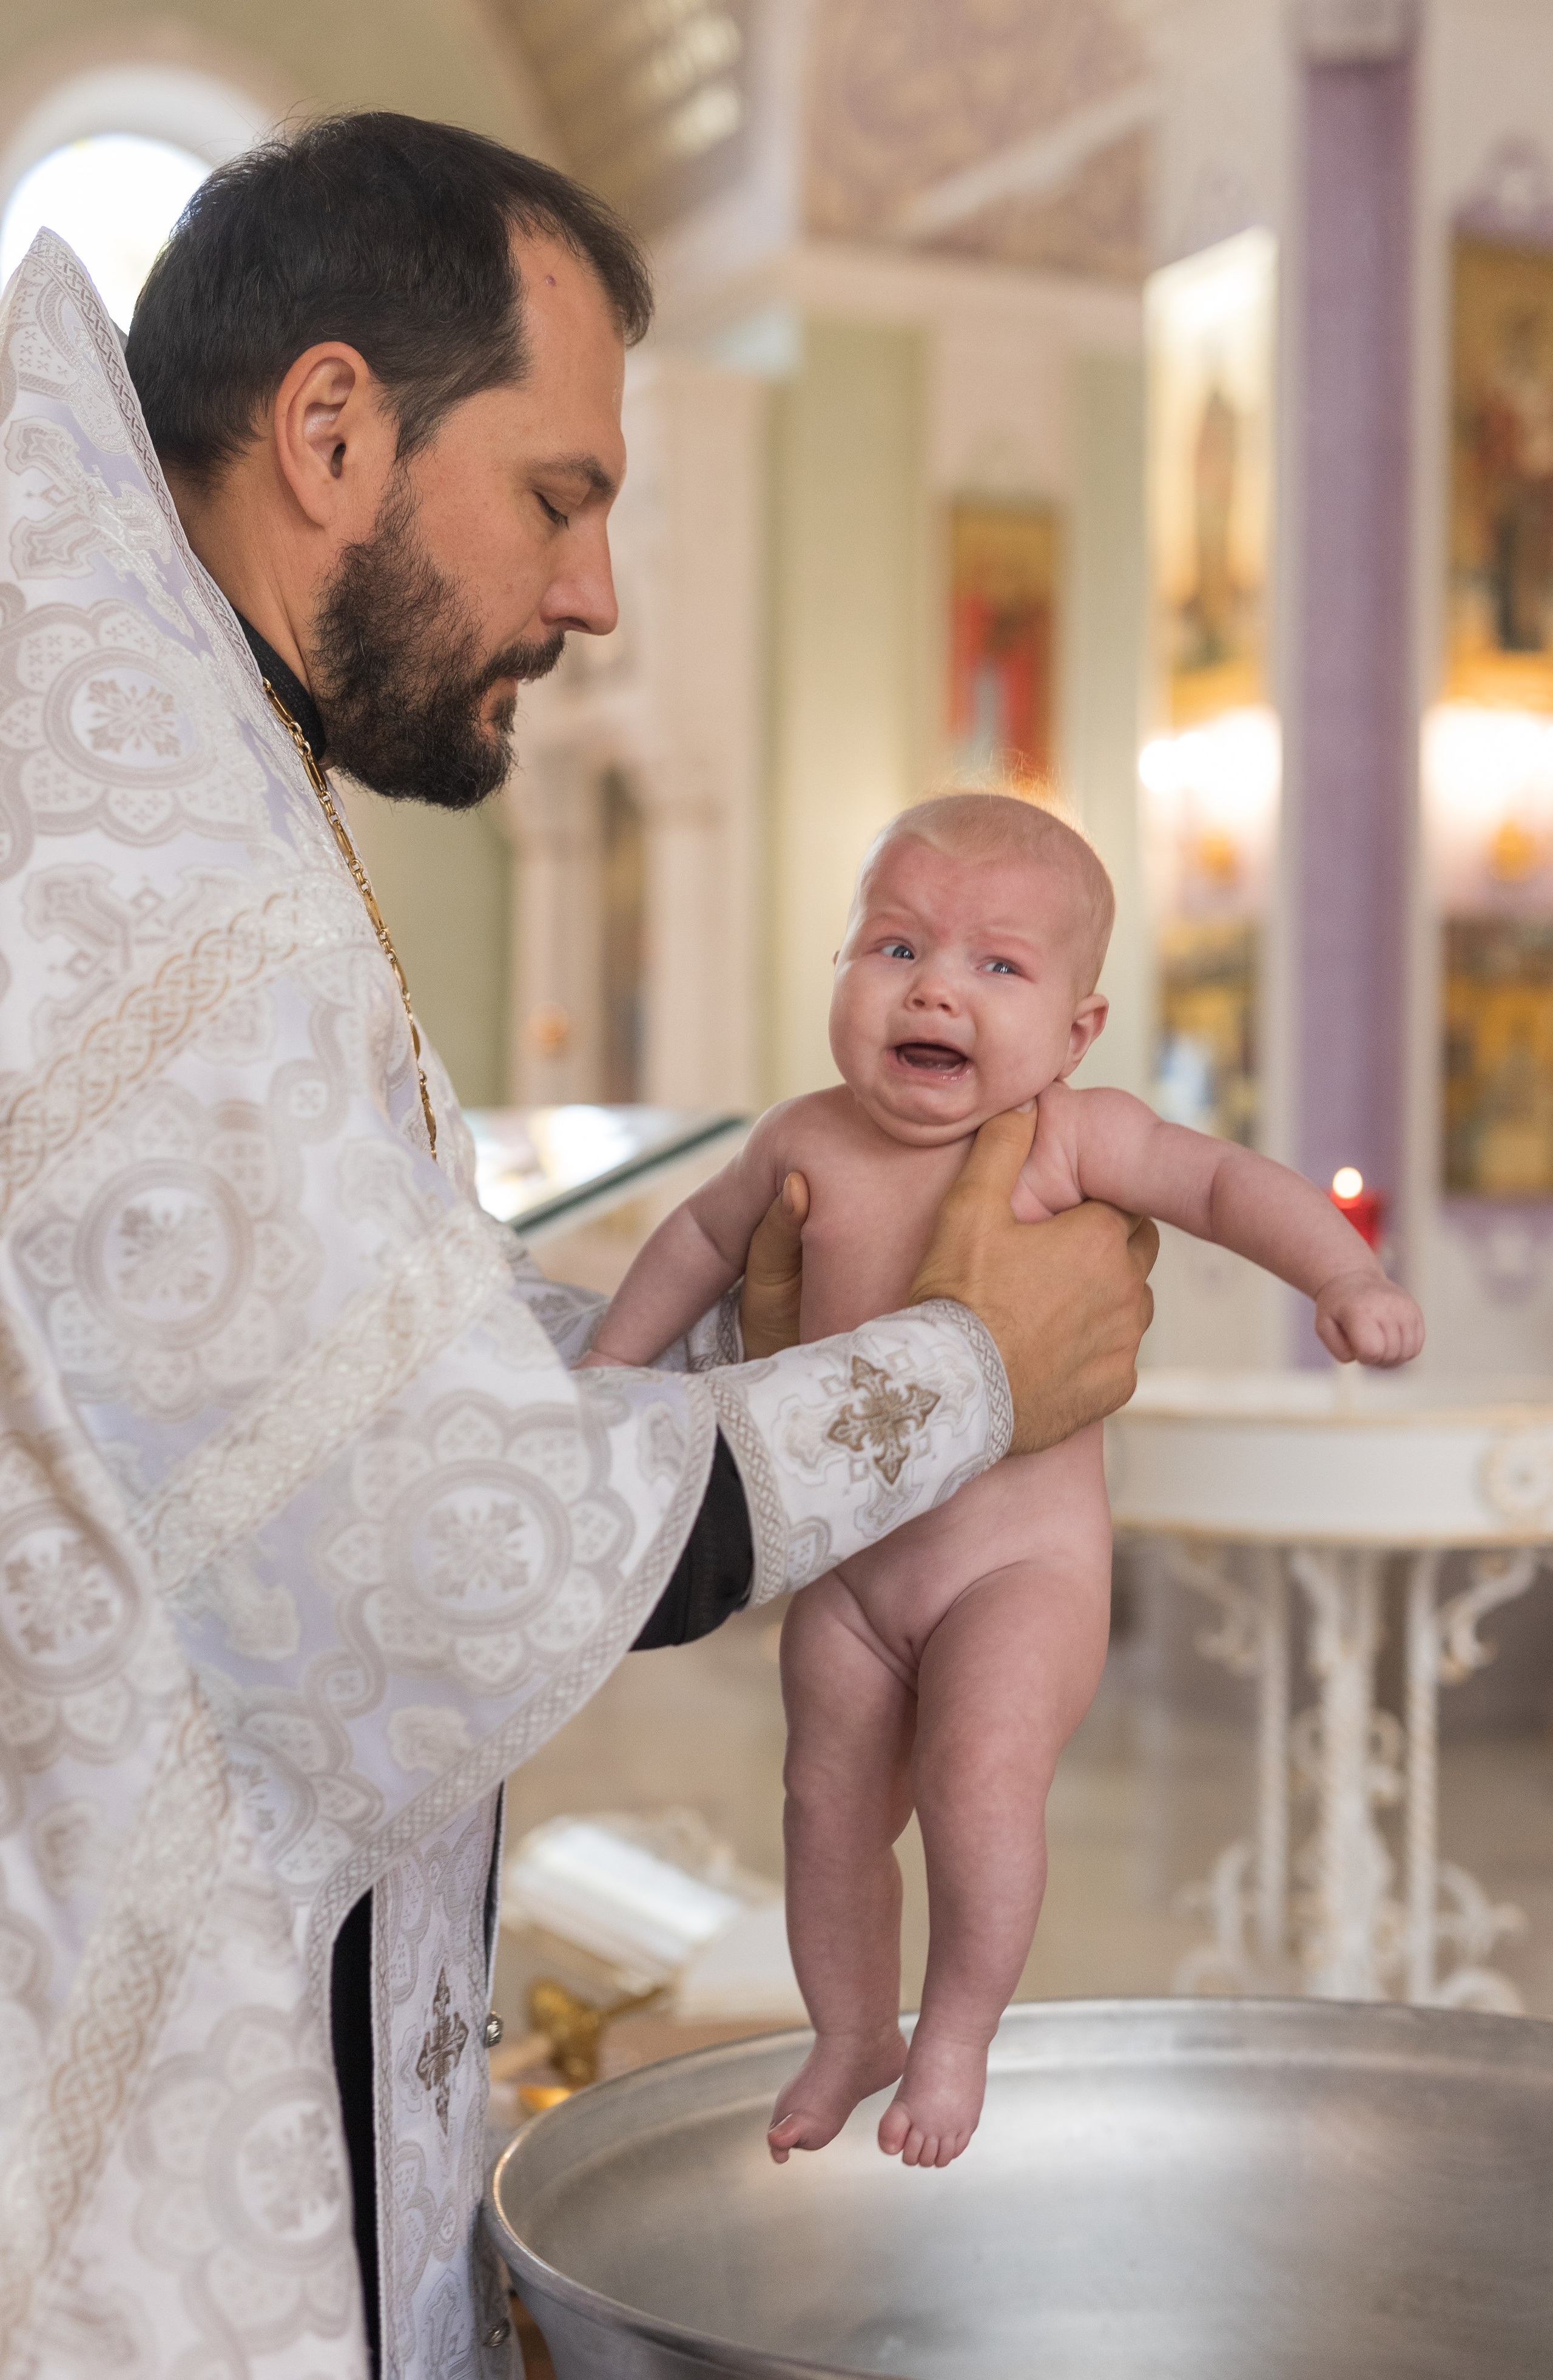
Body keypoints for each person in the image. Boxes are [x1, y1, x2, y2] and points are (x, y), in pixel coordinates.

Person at [0, 116, 1158, 2380]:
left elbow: (322, 1372)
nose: (602, 588)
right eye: (561, 492)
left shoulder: (167, 752)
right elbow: (441, 1544)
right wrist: (958, 1373)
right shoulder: (134, 858)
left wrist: (777, 1307)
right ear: (333, 428)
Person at [587, 794, 1424, 2170]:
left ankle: (957, 2031)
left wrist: (1342, 1274)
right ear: (844, 971)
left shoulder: (1065, 1138)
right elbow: (693, 1239)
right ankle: (850, 2024)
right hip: (850, 1582)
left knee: (980, 1782)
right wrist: (610, 1377)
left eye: (997, 965)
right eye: (894, 948)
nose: (935, 990)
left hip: (1014, 1575)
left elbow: (1219, 1187)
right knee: (824, 1808)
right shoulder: (799, 1137)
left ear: (1076, 1029)